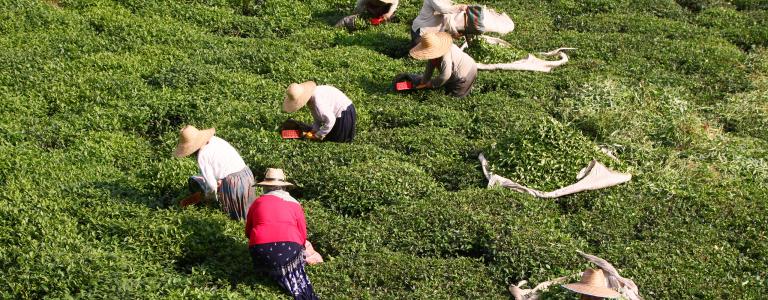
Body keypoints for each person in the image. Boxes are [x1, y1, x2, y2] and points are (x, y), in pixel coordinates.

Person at [246, 168, 318, 300]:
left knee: (267, 259)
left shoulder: (257, 203)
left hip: (259, 249)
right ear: (284, 188)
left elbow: (248, 231)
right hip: (289, 248)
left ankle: (268, 272)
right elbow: (302, 234)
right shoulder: (295, 204)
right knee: (297, 271)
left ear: (265, 187)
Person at [174, 125, 255, 221]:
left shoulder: (202, 155)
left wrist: (208, 198)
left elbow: (211, 186)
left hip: (234, 184)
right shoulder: (215, 140)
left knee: (237, 219)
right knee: (251, 214)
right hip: (247, 175)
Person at [282, 81, 356, 143]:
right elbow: (317, 118)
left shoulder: (318, 103)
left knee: (335, 139)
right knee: (325, 133)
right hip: (340, 112)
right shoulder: (311, 99)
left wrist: (318, 135)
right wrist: (314, 131)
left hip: (345, 113)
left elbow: (331, 121)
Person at [411, 32, 478, 98]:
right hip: (461, 68)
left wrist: (432, 83)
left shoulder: (445, 57)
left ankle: (468, 89)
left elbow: (445, 76)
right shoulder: (434, 55)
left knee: (454, 97)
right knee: (446, 87)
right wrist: (423, 82)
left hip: (467, 72)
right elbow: (429, 68)